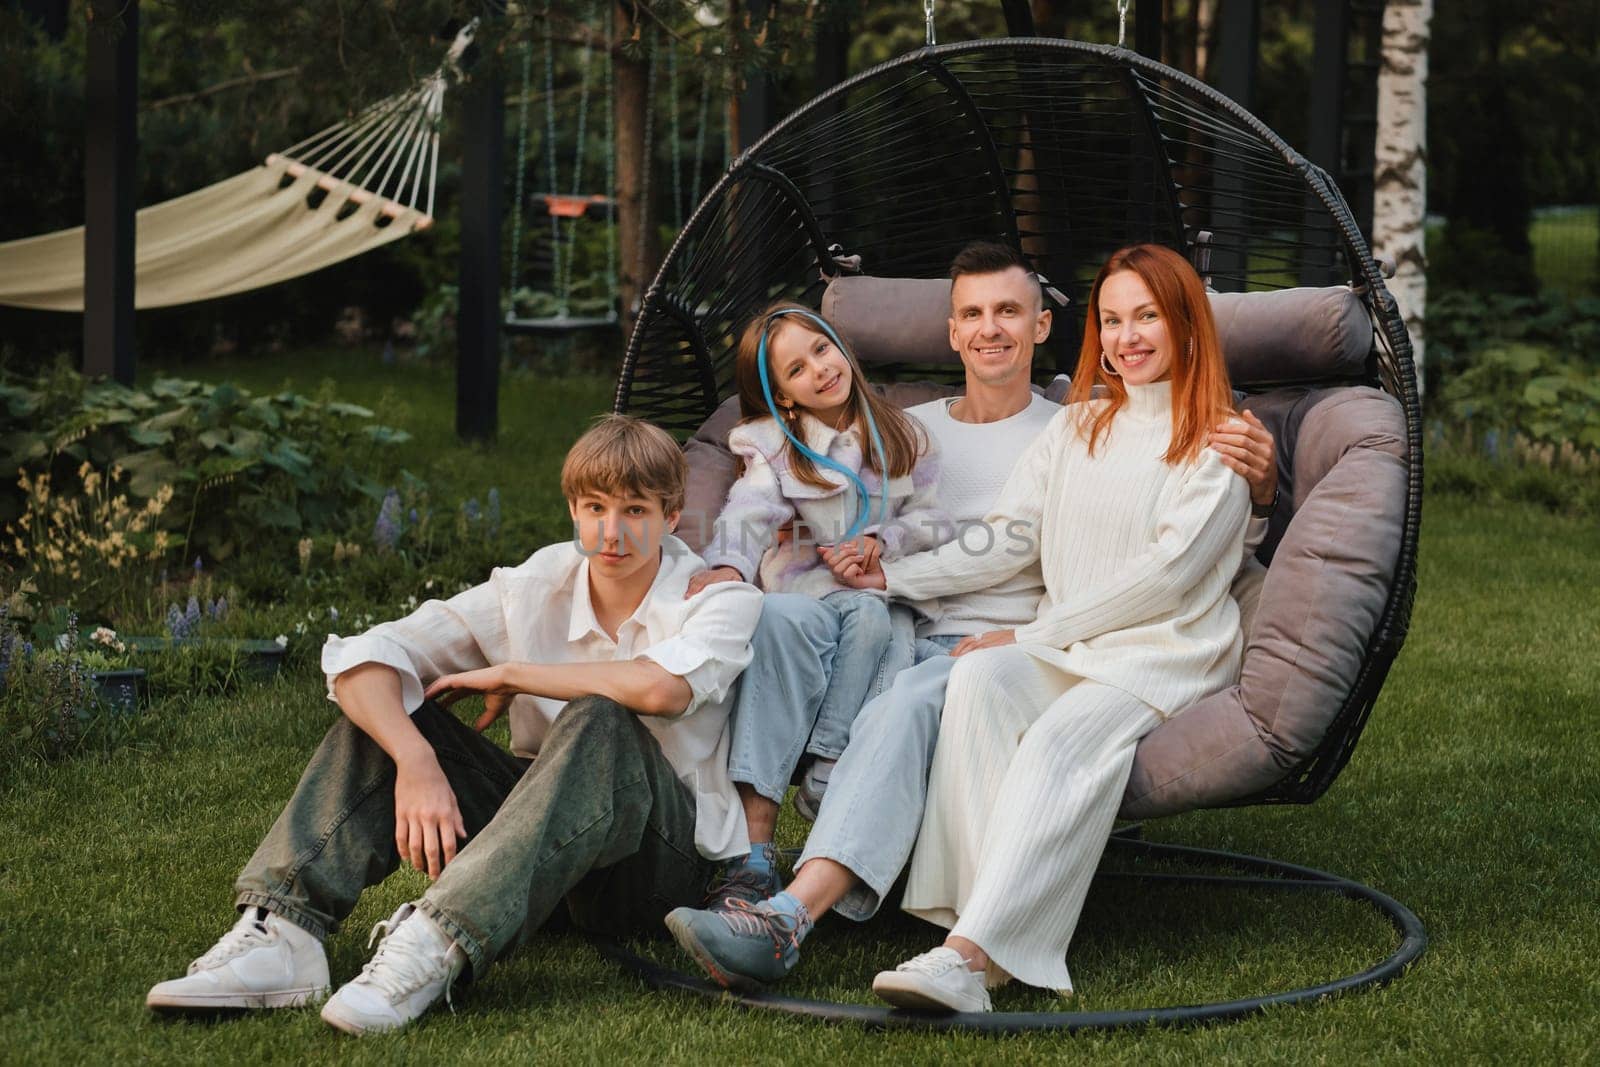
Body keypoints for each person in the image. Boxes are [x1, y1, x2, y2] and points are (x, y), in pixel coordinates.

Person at [664, 241, 1277, 996]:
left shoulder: (1219, 439)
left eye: (1148, 317)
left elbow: (1167, 578)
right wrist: (893, 573)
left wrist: (1028, 633)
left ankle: (960, 954)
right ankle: (936, 917)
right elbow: (998, 541)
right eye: (1114, 319)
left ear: (1186, 326)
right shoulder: (1079, 426)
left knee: (1036, 727)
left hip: (1156, 649)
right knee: (973, 676)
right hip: (1059, 641)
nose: (1129, 336)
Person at [145, 415, 762, 1035]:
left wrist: (515, 673)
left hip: (656, 869)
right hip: (535, 858)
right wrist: (414, 760)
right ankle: (281, 934)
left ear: (673, 514)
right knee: (390, 715)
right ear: (573, 510)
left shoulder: (717, 598)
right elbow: (367, 654)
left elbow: (660, 687)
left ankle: (436, 942)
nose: (612, 531)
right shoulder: (533, 585)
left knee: (600, 717)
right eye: (595, 508)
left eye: (635, 511)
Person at [684, 301, 948, 900]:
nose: (820, 370)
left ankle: (827, 763)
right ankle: (786, 811)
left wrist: (882, 542)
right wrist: (728, 562)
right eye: (796, 371)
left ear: (840, 344)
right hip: (804, 585)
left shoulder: (906, 435)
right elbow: (752, 509)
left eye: (821, 349)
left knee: (884, 625)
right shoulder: (777, 444)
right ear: (785, 398)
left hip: (879, 589)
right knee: (804, 619)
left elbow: (933, 520)